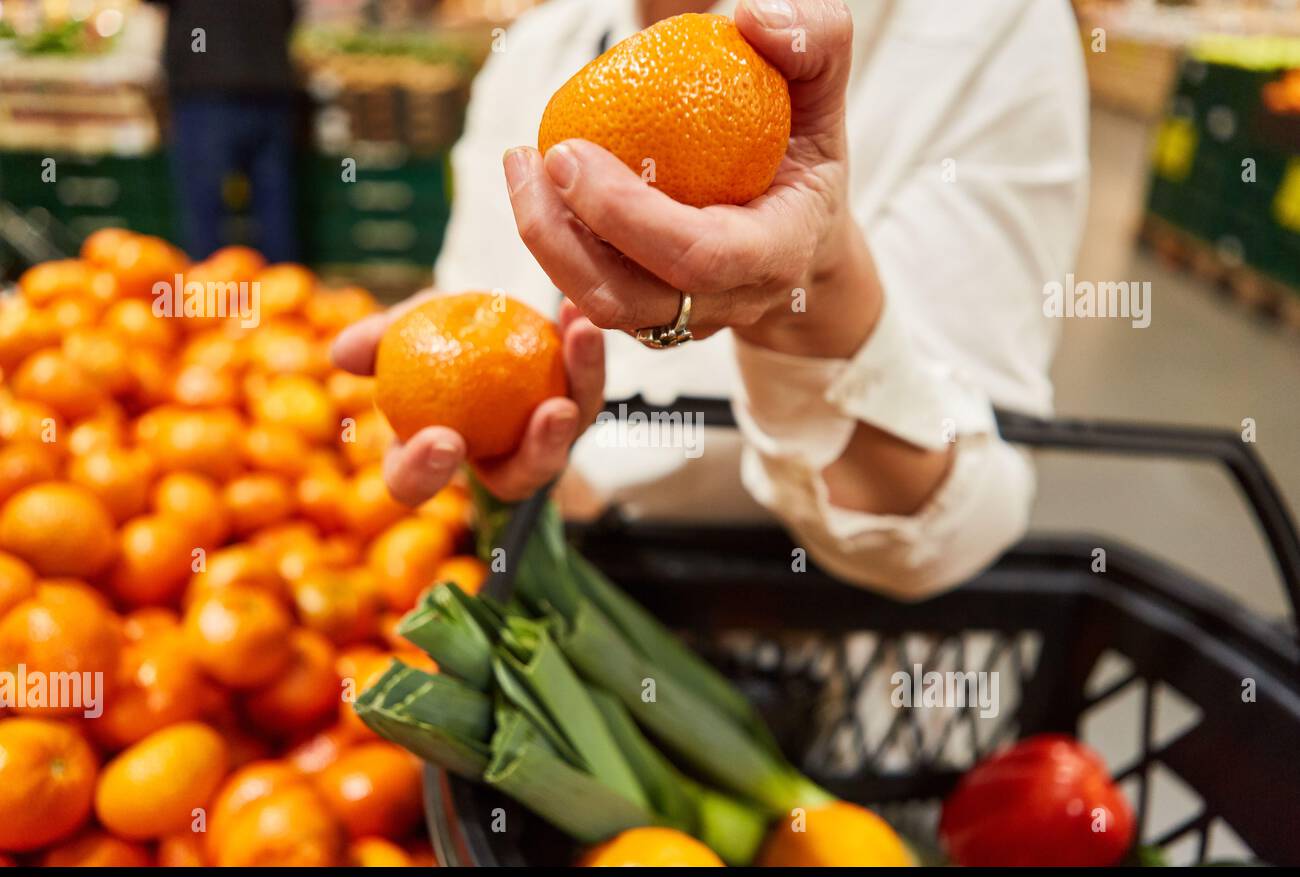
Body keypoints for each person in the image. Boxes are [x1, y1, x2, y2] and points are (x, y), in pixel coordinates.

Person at [332, 0, 1089, 600]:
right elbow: (489, 319)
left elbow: (962, 522)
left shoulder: (989, 26)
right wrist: (498, 439)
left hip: (809, 638)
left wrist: (817, 284)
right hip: (577, 619)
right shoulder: (536, 50)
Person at [149, 0, 300, 262]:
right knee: (274, 207)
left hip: (206, 90)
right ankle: (280, 292)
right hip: (268, 83)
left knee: (206, 211)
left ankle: (211, 296)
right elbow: (290, 14)